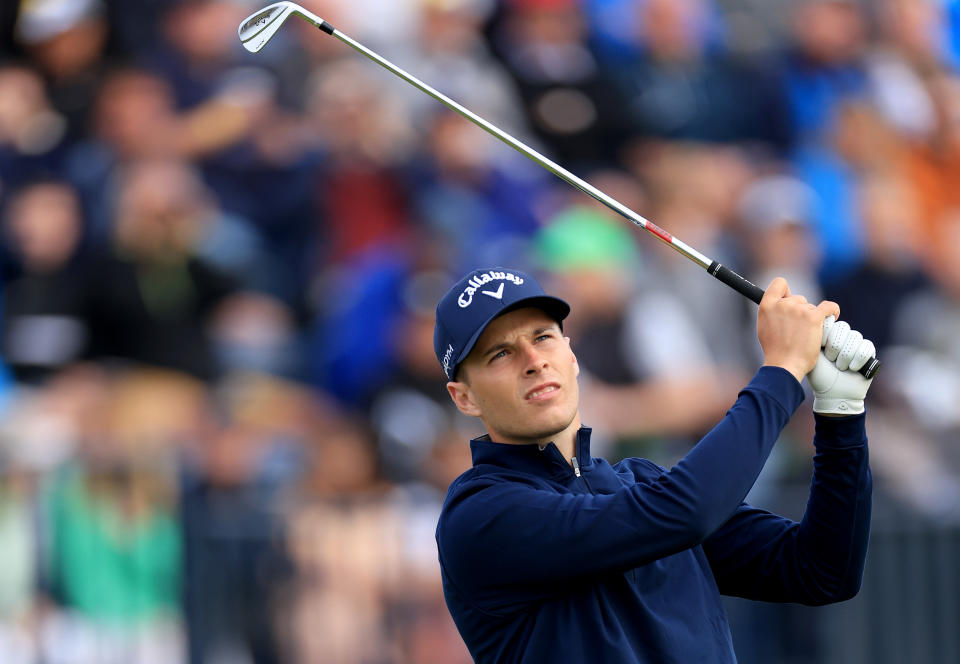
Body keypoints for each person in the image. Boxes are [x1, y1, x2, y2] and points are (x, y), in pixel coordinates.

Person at [432, 266, 875, 662]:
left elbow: (821, 571)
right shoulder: (480, 513)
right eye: (500, 354)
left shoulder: (639, 482)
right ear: (464, 397)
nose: (533, 361)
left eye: (542, 337)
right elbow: (684, 511)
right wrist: (780, 371)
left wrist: (841, 415)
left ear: (571, 353)